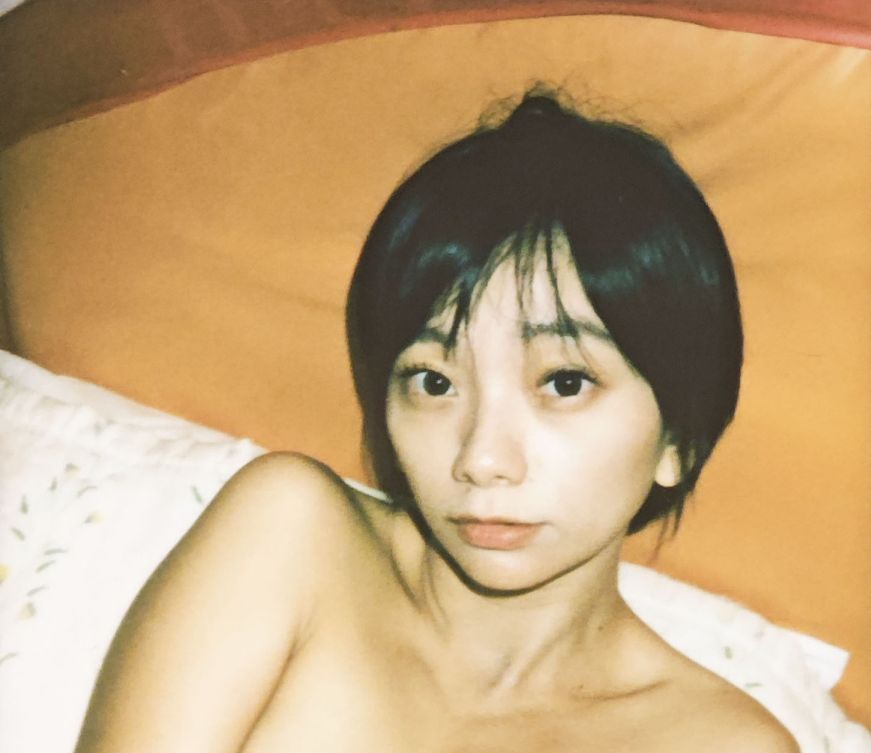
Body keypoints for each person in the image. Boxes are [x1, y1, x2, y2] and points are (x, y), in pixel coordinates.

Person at [75, 90, 798, 752]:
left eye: (564, 382)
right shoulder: (293, 537)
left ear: (679, 435)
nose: (481, 459)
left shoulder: (722, 745)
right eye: (434, 381)